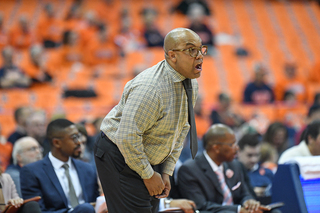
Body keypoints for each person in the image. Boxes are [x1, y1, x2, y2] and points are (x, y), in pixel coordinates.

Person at [95, 28, 206, 213]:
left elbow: (181, 130)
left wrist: (165, 171)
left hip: (147, 154)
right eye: (191, 50)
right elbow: (126, 137)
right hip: (119, 153)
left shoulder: (191, 84)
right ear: (172, 56)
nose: (200, 57)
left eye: (201, 49)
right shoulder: (150, 88)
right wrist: (148, 175)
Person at [178, 124, 270, 213]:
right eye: (232, 145)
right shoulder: (189, 170)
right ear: (216, 148)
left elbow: (245, 193)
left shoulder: (235, 165)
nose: (236, 148)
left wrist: (249, 202)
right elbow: (201, 206)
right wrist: (237, 210)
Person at [20, 118, 99, 213]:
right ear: (57, 143)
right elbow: (36, 211)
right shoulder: (31, 172)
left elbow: (96, 203)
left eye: (78, 137)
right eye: (74, 138)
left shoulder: (88, 169)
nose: (78, 142)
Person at [237, 134, 275, 207]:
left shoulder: (268, 172)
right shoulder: (232, 173)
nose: (253, 159)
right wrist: (252, 192)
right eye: (249, 155)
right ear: (238, 152)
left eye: (257, 155)